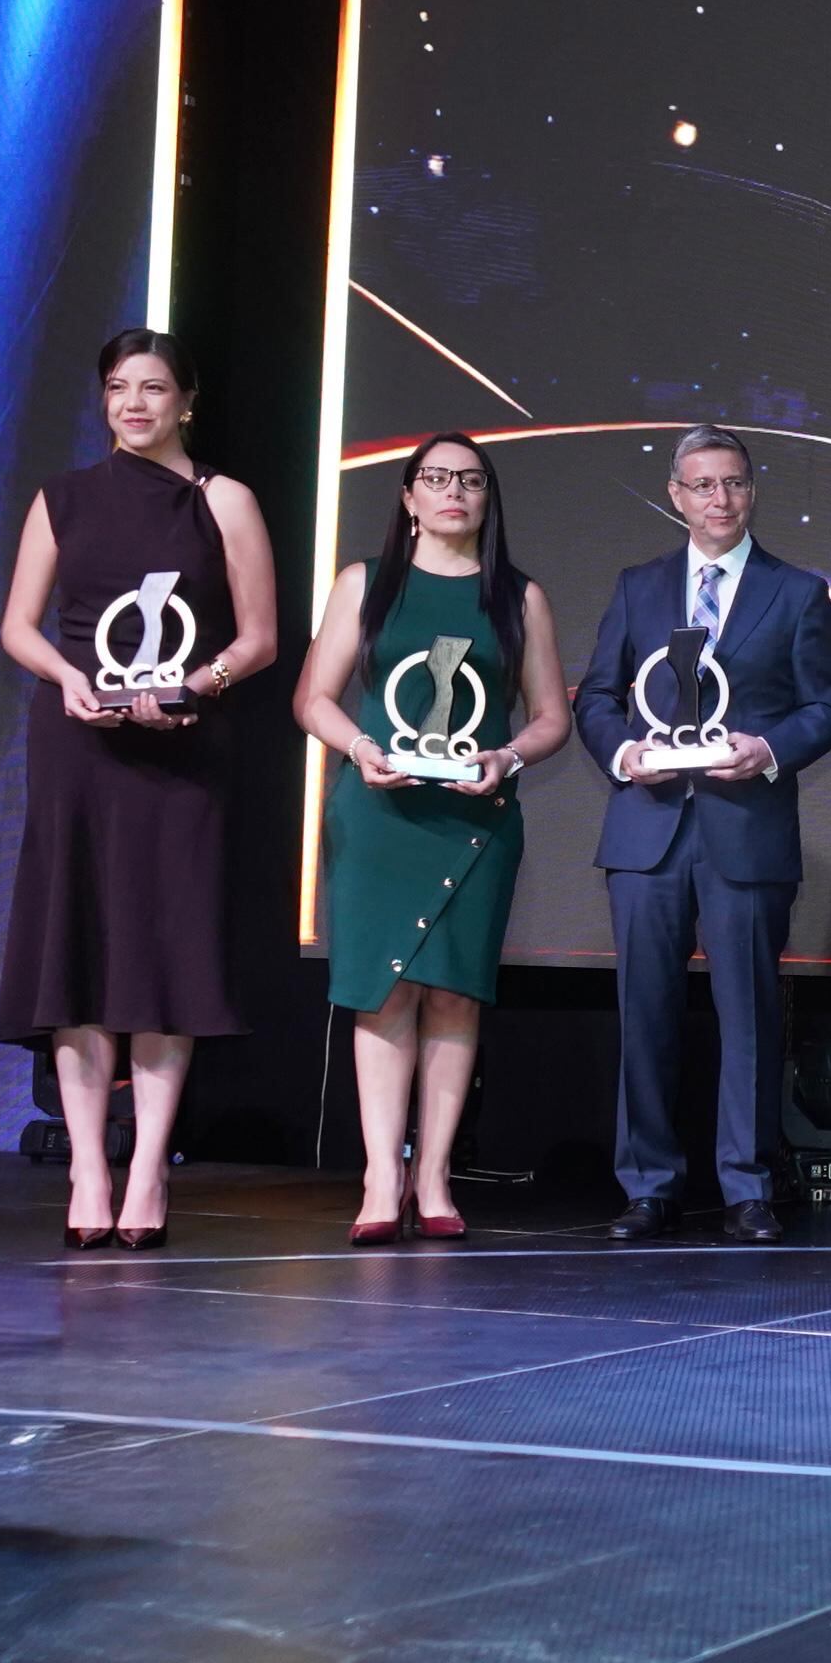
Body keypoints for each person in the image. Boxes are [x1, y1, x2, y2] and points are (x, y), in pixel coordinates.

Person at [0, 329, 280, 1248]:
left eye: (154, 388)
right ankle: (87, 1166)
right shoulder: (63, 497)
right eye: (119, 387)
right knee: (75, 948)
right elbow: (20, 626)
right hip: (78, 746)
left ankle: (149, 1167)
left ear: (187, 401)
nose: (134, 404)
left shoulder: (223, 499)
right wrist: (67, 678)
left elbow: (260, 638)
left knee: (166, 954)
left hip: (183, 751)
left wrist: (195, 685)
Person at [574, 427, 831, 1244]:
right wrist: (624, 754)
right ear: (676, 495)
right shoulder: (639, 586)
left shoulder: (796, 591)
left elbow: (827, 706)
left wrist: (768, 749)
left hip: (746, 831)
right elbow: (598, 696)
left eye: (732, 483)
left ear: (752, 491)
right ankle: (649, 1186)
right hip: (647, 832)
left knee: (751, 1017)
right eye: (702, 485)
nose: (719, 499)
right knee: (644, 1014)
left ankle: (748, 1187)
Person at [294, 436, 571, 1245]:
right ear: (409, 496)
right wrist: (359, 749)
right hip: (379, 816)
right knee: (382, 991)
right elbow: (313, 698)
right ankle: (381, 1177)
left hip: (474, 818)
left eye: (471, 480)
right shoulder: (365, 582)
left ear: (488, 499)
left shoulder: (518, 597)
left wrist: (507, 757)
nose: (454, 491)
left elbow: (550, 717)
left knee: (454, 991)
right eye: (437, 478)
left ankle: (434, 1175)